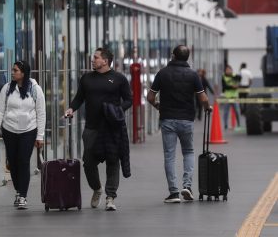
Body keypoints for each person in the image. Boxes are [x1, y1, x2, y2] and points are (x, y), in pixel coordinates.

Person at [65, 48, 132, 211]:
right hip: (92, 128)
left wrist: (118, 110)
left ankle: (110, 197)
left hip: (112, 127)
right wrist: (71, 109)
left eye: (95, 57)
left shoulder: (119, 79)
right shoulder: (86, 78)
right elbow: (79, 98)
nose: (92, 60)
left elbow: (129, 100)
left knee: (112, 162)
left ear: (105, 61)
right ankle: (97, 189)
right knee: (88, 162)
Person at [147, 45, 211, 203]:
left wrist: (157, 106)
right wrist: (207, 108)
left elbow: (150, 97)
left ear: (173, 56)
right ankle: (187, 186)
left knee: (169, 156)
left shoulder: (162, 73)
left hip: (167, 119)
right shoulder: (193, 75)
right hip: (186, 119)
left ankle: (174, 193)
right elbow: (203, 99)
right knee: (188, 152)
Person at [0, 60, 45, 210]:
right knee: (13, 163)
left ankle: (23, 196)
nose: (13, 72)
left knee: (23, 161)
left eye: (15, 70)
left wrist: (40, 136)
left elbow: (41, 112)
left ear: (23, 73)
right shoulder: (7, 89)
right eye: (12, 70)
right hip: (9, 130)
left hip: (29, 130)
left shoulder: (35, 89)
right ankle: (18, 190)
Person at [222, 65, 241, 129]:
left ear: (231, 70)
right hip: (227, 96)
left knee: (237, 111)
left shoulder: (235, 75)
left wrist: (237, 84)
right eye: (227, 70)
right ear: (225, 71)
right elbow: (224, 87)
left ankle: (239, 125)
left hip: (235, 96)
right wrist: (232, 87)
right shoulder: (224, 77)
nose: (228, 71)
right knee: (226, 112)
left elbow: (239, 78)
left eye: (230, 70)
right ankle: (225, 125)